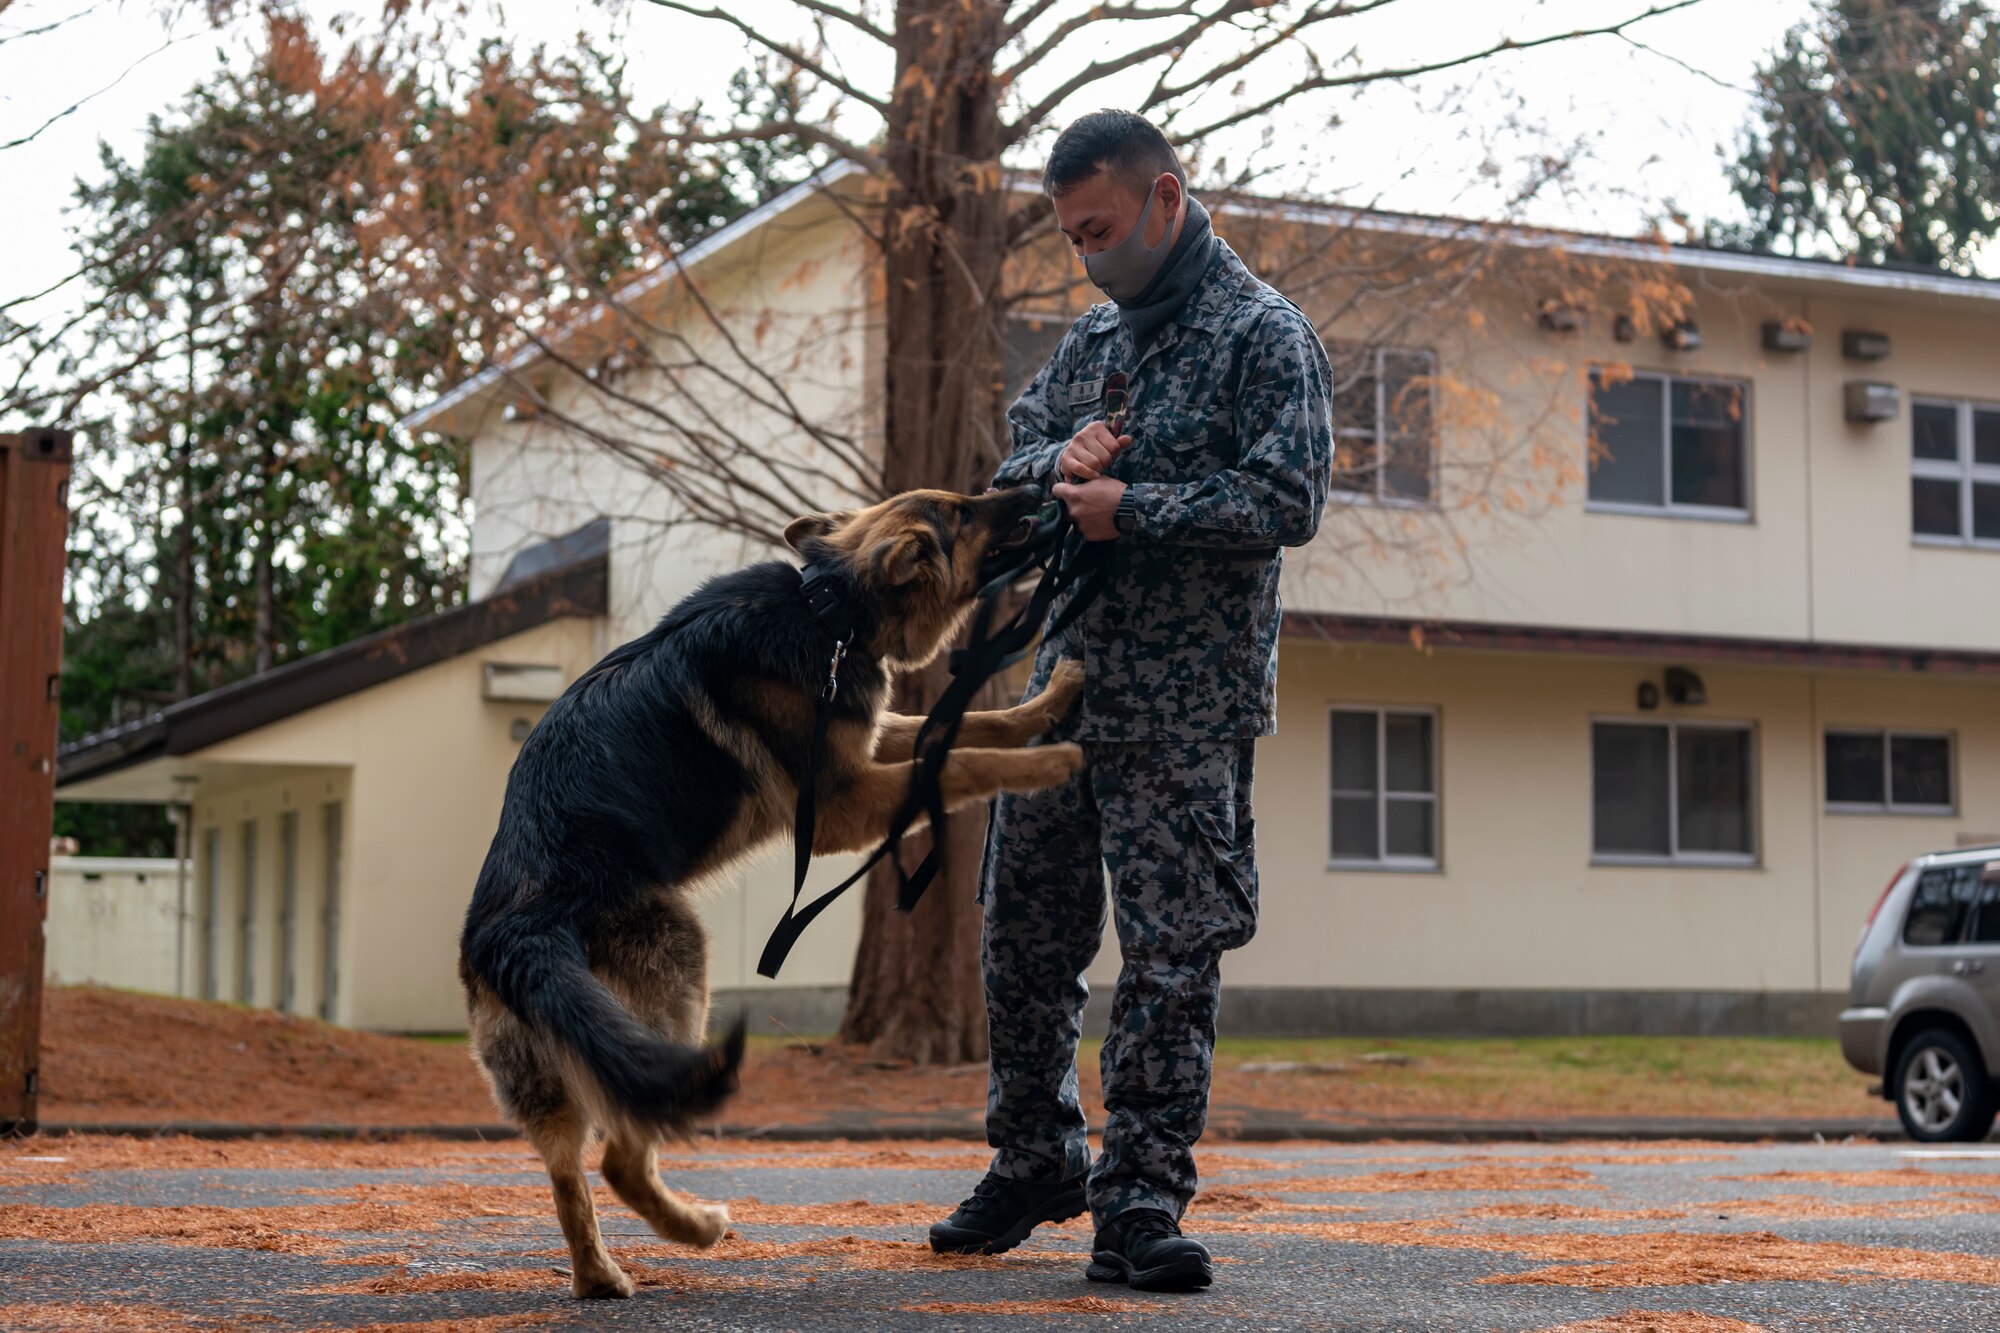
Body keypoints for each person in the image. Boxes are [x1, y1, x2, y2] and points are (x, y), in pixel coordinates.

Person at [927, 109, 1333, 1292]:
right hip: (1061, 697)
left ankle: (1139, 1201)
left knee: (1166, 959)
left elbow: (1285, 498)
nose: (1084, 256)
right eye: (1068, 237)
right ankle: (1034, 1161)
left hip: (1183, 713)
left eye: (1097, 229)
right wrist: (1057, 474)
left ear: (1164, 200)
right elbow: (1008, 470)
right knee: (1021, 943)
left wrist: (1134, 505)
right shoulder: (1090, 342)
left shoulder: (1266, 335)